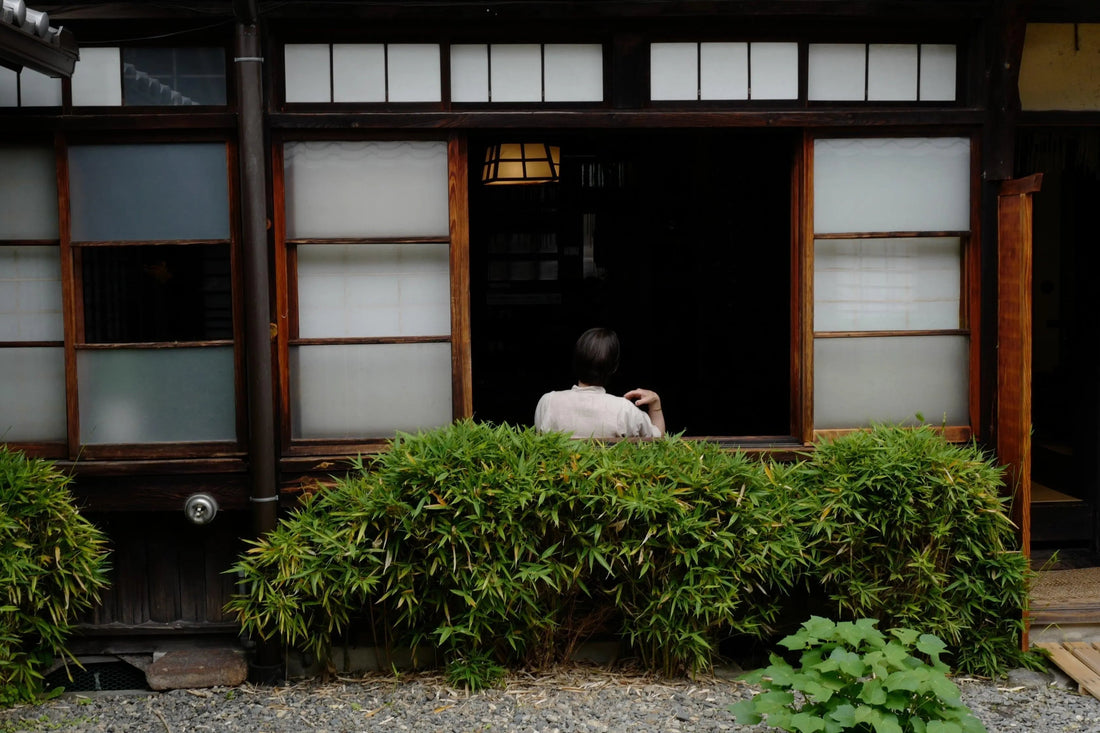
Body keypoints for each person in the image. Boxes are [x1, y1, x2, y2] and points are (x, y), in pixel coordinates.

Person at [534, 327, 665, 439]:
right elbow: (658, 441)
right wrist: (655, 404)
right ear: (614, 368)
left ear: (575, 362)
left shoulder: (548, 402)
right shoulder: (625, 411)